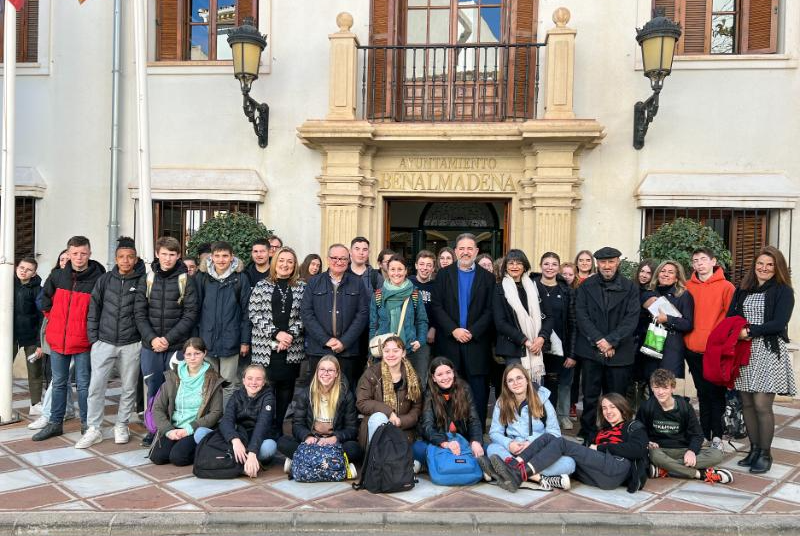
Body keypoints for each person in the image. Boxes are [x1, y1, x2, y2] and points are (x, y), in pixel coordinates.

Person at [489, 393, 647, 493]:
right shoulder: (599, 431)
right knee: (548, 438)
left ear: (622, 409)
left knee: (562, 443)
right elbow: (585, 454)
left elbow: (638, 450)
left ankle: (518, 474)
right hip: (597, 475)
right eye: (604, 408)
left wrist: (601, 447)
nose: (608, 411)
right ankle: (514, 465)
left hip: (617, 468)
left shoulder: (633, 426)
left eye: (613, 407)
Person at [727, 246, 795, 474]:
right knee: (746, 402)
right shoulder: (743, 290)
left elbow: (779, 323)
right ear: (754, 266)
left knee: (761, 405)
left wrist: (749, 331)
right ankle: (754, 450)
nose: (764, 268)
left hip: (767, 351)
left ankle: (766, 453)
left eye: (769, 265)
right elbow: (731, 316)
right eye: (760, 264)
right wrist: (735, 330)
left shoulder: (783, 290)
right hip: (744, 351)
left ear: (777, 268)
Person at [34, 236, 106, 441]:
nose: (79, 257)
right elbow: (45, 302)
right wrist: (55, 320)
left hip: (83, 341)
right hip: (57, 340)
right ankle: (55, 423)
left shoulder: (99, 278)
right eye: (75, 253)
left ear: (90, 253)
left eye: (83, 253)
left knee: (84, 384)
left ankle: (87, 424)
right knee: (58, 382)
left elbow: (101, 308)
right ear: (68, 254)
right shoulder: (57, 276)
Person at [76, 237, 146, 448]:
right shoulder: (105, 280)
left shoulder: (142, 280)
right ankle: (94, 428)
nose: (125, 261)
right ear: (115, 258)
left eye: (130, 257)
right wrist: (94, 339)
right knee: (96, 387)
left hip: (131, 343)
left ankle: (121, 424)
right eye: (121, 257)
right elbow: (93, 309)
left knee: (129, 387)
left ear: (135, 259)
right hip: (104, 342)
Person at [134, 236, 199, 446]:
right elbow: (139, 313)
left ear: (178, 255)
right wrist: (153, 339)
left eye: (172, 254)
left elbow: (190, 315)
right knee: (153, 388)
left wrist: (167, 339)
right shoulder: (147, 278)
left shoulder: (186, 280)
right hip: (150, 346)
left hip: (176, 346)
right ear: (157, 254)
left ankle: (173, 429)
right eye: (164, 254)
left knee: (174, 388)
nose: (168, 258)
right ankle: (154, 430)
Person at [574, 247, 640, 443]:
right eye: (603, 262)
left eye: (611, 261)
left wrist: (611, 341)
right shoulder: (586, 287)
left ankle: (617, 434)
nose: (607, 266)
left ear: (618, 262)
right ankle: (588, 433)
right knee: (590, 397)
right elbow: (582, 315)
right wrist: (600, 341)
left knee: (617, 398)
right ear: (597, 264)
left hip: (619, 353)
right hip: (591, 350)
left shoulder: (630, 287)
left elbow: (631, 319)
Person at [430, 233, 495, 431]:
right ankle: (448, 433)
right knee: (448, 390)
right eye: (461, 248)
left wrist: (472, 332)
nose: (465, 252)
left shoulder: (488, 277)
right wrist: (453, 330)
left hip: (477, 344)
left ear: (476, 251)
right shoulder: (443, 274)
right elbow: (437, 306)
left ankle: (476, 435)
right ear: (456, 251)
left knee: (478, 393)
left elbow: (491, 310)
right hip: (449, 343)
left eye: (470, 248)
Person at [637, 369, 733, 484]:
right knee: (653, 455)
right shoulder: (647, 407)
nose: (660, 392)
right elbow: (638, 431)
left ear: (672, 388)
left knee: (717, 455)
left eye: (665, 388)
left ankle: (665, 469)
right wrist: (647, 441)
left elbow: (697, 435)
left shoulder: (684, 406)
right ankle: (700, 474)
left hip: (683, 450)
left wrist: (692, 451)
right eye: (657, 387)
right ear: (652, 388)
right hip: (660, 451)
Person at [249, 246, 306, 430]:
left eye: (290, 261)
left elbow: (305, 315)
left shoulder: (302, 287)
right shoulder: (262, 285)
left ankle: (279, 427)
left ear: (295, 265)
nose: (285, 264)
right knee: (266, 391)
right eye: (281, 260)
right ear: (275, 263)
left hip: (291, 350)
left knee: (285, 392)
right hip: (265, 349)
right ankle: (263, 428)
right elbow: (254, 313)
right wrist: (276, 333)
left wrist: (289, 336)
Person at [484, 364, 575, 480]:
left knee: (569, 463)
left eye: (519, 378)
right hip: (513, 452)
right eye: (510, 380)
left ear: (527, 380)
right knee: (492, 448)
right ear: (506, 385)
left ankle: (507, 472)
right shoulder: (502, 403)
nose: (515, 383)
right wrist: (509, 444)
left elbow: (555, 433)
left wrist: (532, 443)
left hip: (538, 453)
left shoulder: (542, 400)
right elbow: (495, 432)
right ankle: (532, 476)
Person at [684, 248, 735, 450]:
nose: (699, 264)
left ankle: (718, 435)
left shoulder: (726, 287)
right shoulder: (687, 286)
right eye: (695, 260)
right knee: (702, 393)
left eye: (703, 259)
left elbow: (731, 320)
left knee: (717, 394)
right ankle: (705, 433)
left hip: (715, 352)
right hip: (692, 350)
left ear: (713, 261)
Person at [277, 355, 362, 475]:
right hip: (313, 441)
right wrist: (307, 437)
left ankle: (300, 461)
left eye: (330, 370)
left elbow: (352, 429)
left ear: (337, 373)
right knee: (282, 442)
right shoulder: (306, 394)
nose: (326, 373)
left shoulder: (345, 395)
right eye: (322, 369)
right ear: (317, 372)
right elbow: (297, 424)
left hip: (334, 443)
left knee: (354, 449)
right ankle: (336, 464)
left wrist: (335, 438)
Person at [301, 243, 370, 391]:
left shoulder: (357, 283)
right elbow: (306, 313)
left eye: (343, 259)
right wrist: (326, 340)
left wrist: (344, 342)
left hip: (347, 350)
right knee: (318, 391)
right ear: (328, 259)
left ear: (348, 260)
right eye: (335, 258)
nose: (339, 262)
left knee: (344, 391)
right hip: (319, 348)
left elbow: (362, 314)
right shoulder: (314, 282)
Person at [149, 338, 224, 466]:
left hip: (196, 427)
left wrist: (189, 429)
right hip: (175, 427)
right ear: (183, 355)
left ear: (204, 353)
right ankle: (179, 444)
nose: (192, 358)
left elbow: (216, 412)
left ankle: (205, 448)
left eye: (197, 353)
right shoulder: (173, 376)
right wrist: (168, 430)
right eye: (188, 354)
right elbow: (157, 408)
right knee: (157, 457)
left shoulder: (213, 379)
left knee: (178, 458)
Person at [194, 241, 252, 402]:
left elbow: (247, 312)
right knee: (208, 383)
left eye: (225, 256)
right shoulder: (202, 277)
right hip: (207, 339)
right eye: (217, 256)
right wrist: (196, 338)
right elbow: (196, 309)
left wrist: (244, 341)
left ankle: (227, 419)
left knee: (228, 384)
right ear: (211, 257)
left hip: (230, 340)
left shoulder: (240, 278)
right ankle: (210, 419)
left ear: (232, 257)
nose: (221, 260)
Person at [195, 364, 278, 477]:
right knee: (200, 433)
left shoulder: (268, 398)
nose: (253, 382)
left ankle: (230, 460)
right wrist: (235, 440)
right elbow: (226, 420)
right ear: (243, 380)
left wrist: (253, 452)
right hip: (236, 438)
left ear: (263, 382)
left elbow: (262, 426)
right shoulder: (236, 395)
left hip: (255, 440)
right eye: (249, 378)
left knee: (270, 447)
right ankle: (243, 463)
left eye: (258, 379)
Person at [415, 357, 485, 474]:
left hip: (462, 441)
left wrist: (475, 441)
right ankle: (472, 465)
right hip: (441, 442)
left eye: (448, 372)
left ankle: (439, 464)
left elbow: (474, 420)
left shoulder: (464, 388)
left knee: (486, 448)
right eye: (440, 374)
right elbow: (427, 426)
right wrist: (445, 443)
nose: (445, 377)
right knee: (417, 448)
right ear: (434, 378)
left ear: (453, 372)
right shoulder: (429, 394)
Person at [28, 250, 72, 430]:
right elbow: (41, 301)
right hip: (54, 329)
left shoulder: (82, 279)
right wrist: (54, 313)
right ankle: (66, 409)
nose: (65, 261)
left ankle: (48, 414)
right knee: (59, 377)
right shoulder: (54, 278)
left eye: (68, 259)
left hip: (75, 335)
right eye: (62, 258)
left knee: (59, 379)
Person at [532, 252, 577, 430]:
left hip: (558, 348)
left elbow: (573, 323)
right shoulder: (531, 286)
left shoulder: (566, 291)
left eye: (553, 264)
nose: (550, 267)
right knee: (534, 385)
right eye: (546, 264)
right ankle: (534, 420)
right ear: (541, 265)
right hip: (534, 345)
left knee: (553, 386)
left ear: (558, 267)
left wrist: (572, 353)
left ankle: (550, 422)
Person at [492, 249, 552, 382]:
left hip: (537, 346)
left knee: (536, 390)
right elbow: (500, 323)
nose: (514, 266)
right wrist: (526, 341)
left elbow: (549, 317)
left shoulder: (535, 286)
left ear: (524, 266)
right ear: (505, 266)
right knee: (517, 389)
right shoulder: (499, 289)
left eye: (518, 263)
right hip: (513, 348)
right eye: (511, 263)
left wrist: (541, 338)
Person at [356, 336, 422, 449]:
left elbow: (417, 408)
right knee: (379, 418)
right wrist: (388, 413)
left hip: (402, 431)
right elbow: (362, 402)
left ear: (403, 353)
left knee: (414, 463)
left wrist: (401, 421)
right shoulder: (371, 374)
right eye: (387, 351)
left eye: (395, 351)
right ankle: (376, 461)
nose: (391, 355)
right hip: (375, 432)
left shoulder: (412, 377)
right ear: (382, 353)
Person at [369, 255, 428, 377]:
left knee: (409, 388)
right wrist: (372, 346)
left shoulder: (414, 294)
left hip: (409, 349)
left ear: (406, 271)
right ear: (387, 271)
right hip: (384, 351)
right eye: (392, 269)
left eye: (400, 269)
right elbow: (373, 324)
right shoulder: (378, 295)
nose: (396, 273)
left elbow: (422, 320)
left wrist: (420, 340)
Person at [640, 260, 694, 379]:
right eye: (663, 271)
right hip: (651, 344)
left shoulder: (683, 295)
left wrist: (667, 319)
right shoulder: (649, 293)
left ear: (676, 278)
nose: (665, 274)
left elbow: (688, 324)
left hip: (671, 348)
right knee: (652, 385)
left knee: (667, 387)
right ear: (657, 274)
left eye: (670, 272)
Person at [13, 257, 44, 414]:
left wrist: (40, 343)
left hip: (32, 335)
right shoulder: (8, 283)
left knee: (35, 370)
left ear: (34, 273)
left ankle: (35, 403)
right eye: (22, 267)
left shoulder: (38, 290)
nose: (24, 271)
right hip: (9, 335)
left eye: (29, 269)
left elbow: (42, 317)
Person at [631, 259, 658, 409]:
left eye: (649, 272)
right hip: (633, 338)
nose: (644, 275)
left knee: (647, 378)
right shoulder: (632, 288)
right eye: (642, 271)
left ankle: (645, 411)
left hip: (650, 339)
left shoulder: (655, 293)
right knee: (632, 378)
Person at [409, 249, 436, 386]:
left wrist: (434, 328)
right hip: (407, 335)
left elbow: (439, 310)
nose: (424, 268)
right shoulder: (408, 284)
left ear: (433, 268)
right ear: (416, 265)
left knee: (421, 375)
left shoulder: (436, 287)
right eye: (422, 264)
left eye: (428, 265)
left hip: (426, 337)